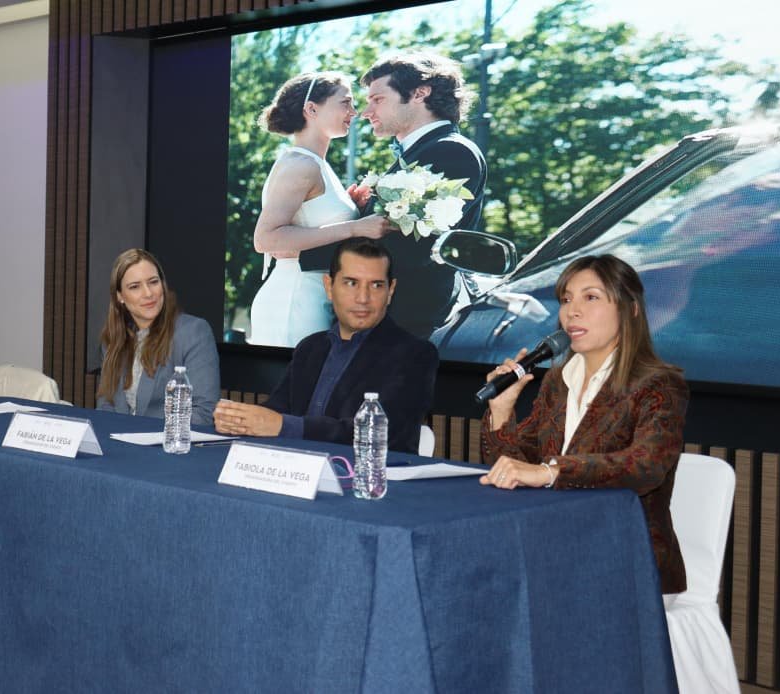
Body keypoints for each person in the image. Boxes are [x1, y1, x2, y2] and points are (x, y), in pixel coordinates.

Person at [479, 254, 687, 594]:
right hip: (554, 544)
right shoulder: (557, 381)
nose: (572, 311)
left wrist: (551, 472)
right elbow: (516, 467)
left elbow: (645, 466)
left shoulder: (658, 384)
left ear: (630, 309)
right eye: (566, 299)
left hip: (625, 559)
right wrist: (501, 413)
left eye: (591, 297)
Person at [300, 50, 488, 337]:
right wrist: (356, 213)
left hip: (403, 326)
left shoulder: (451, 151)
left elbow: (404, 249)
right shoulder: (423, 152)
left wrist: (299, 249)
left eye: (378, 99)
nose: (366, 112)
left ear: (420, 93)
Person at [215, 237, 439, 453]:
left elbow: (381, 433)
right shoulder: (310, 347)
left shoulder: (415, 354)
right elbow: (277, 410)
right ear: (329, 287)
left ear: (390, 291)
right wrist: (240, 420)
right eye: (351, 283)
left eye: (376, 285)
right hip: (296, 470)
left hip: (371, 476)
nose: (363, 298)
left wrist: (283, 425)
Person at [249, 71, 391, 347]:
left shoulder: (317, 164)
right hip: (294, 302)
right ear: (311, 109)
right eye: (346, 103)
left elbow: (311, 223)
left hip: (313, 296)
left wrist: (351, 207)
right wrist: (354, 227)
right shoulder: (302, 165)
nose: (354, 112)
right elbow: (265, 239)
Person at [96, 248, 220, 425]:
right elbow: (105, 407)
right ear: (120, 297)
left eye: (153, 282)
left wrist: (140, 435)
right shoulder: (112, 340)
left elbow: (204, 413)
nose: (148, 293)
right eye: (135, 287)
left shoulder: (193, 332)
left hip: (168, 440)